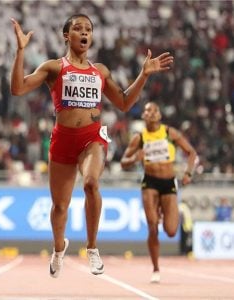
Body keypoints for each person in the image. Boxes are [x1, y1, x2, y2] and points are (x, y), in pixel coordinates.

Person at [10, 15, 173, 278]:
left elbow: (122, 102)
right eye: (78, 28)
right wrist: (20, 51)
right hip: (62, 139)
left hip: (92, 137)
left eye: (89, 29)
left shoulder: (100, 71)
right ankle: (59, 247)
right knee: (60, 207)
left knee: (91, 184)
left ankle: (92, 247)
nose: (84, 33)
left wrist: (143, 74)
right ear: (67, 35)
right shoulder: (54, 67)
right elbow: (17, 88)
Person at [120, 101, 198, 283]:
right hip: (150, 182)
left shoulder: (169, 133)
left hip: (168, 182)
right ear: (143, 116)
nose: (152, 113)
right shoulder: (139, 138)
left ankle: (164, 209)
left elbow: (191, 152)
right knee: (152, 226)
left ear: (160, 116)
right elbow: (123, 161)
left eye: (155, 110)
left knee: (171, 231)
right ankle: (155, 268)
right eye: (148, 111)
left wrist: (188, 173)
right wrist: (133, 159)